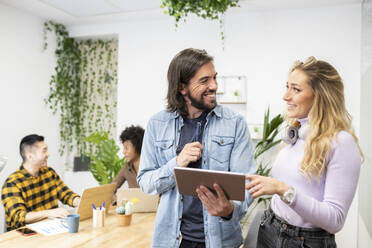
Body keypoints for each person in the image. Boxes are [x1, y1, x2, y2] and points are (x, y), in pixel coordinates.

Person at [137, 48, 255, 248]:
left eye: (214, 78)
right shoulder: (157, 124)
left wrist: (228, 210)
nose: (214, 86)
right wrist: (177, 163)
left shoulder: (235, 123)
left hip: (221, 241)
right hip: (173, 241)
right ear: (182, 87)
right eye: (204, 81)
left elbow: (247, 184)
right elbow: (145, 182)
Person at [245, 57, 363, 248]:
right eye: (287, 87)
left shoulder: (342, 142)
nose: (286, 96)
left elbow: (335, 220)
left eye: (296, 89)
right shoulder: (297, 130)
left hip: (303, 241)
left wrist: (283, 190)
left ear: (320, 96)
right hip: (269, 228)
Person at [1, 134, 81, 231]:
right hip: (25, 236)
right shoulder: (12, 183)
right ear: (30, 156)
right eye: (44, 151)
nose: (48, 154)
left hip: (53, 230)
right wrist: (49, 212)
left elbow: (65, 194)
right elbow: (18, 217)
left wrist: (80, 201)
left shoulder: (49, 173)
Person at [111, 125, 144, 205]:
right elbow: (110, 190)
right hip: (134, 210)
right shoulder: (126, 168)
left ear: (137, 147)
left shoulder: (152, 166)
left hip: (155, 211)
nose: (123, 152)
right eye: (123, 148)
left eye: (127, 148)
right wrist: (118, 201)